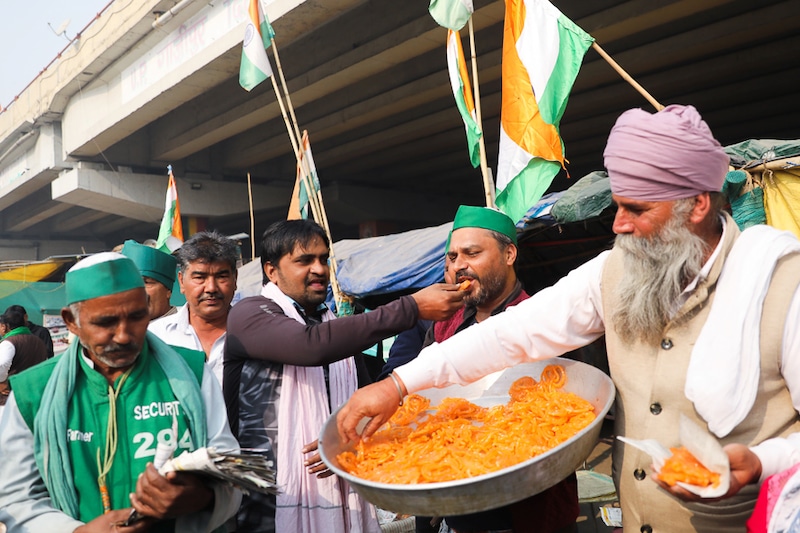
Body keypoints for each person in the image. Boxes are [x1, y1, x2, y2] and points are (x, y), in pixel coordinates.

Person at [338, 104, 800, 533]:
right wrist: (397, 384)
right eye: (617, 204)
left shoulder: (781, 283)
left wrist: (765, 460)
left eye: (636, 209)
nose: (618, 224)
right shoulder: (613, 272)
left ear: (698, 205)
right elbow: (510, 332)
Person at [223, 219, 466, 533]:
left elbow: (366, 403)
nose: (319, 269)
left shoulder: (332, 324)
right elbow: (309, 346)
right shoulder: (250, 314)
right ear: (271, 271)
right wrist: (411, 307)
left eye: (324, 259)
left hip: (339, 489)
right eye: (304, 260)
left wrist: (340, 446)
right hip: (265, 502)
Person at [0, 252, 241, 532]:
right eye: (106, 322)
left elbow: (231, 470)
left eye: (137, 317)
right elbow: (16, 498)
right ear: (71, 322)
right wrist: (80, 531)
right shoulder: (33, 391)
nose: (125, 335)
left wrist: (202, 497)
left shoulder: (191, 372)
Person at [381, 205, 579, 533]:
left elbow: (567, 413)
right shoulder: (444, 325)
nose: (459, 266)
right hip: (448, 498)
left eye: (471, 253)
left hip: (527, 507)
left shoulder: (543, 320)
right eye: (452, 257)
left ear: (509, 254)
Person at [150, 231, 238, 386]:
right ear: (181, 282)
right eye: (199, 278)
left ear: (235, 279)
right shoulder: (155, 337)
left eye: (221, 277)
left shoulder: (256, 335)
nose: (211, 288)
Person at [0, 310, 48, 412]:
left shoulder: (8, 343)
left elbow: (1, 365)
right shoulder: (38, 341)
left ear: (4, 326)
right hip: (35, 394)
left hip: (12, 397)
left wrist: (2, 383)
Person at [121, 239, 179, 320]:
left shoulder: (185, 330)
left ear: (168, 291)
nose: (136, 292)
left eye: (146, 282)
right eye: (130, 283)